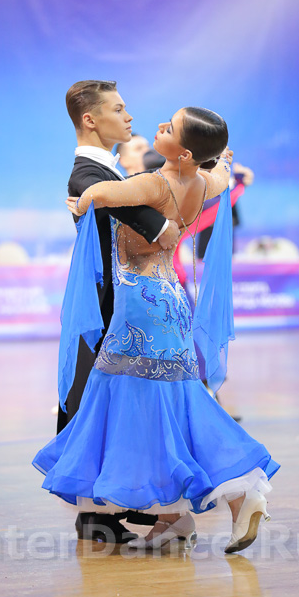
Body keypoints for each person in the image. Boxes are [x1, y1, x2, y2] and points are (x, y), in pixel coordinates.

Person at [34, 106, 279, 553]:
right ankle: (174, 518)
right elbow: (222, 174)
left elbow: (99, 192)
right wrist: (223, 160)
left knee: (143, 404)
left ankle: (237, 494)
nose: (159, 127)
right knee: (169, 404)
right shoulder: (203, 182)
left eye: (169, 128)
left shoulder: (154, 183)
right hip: (172, 302)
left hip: (141, 306)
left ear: (183, 153)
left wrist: (81, 202)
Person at [56, 80, 181, 543]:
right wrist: (166, 215)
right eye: (119, 109)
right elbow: (162, 229)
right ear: (90, 119)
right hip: (105, 308)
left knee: (116, 404)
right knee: (93, 401)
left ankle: (113, 505)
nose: (129, 117)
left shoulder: (107, 173)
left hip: (123, 306)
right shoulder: (87, 177)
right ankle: (96, 512)